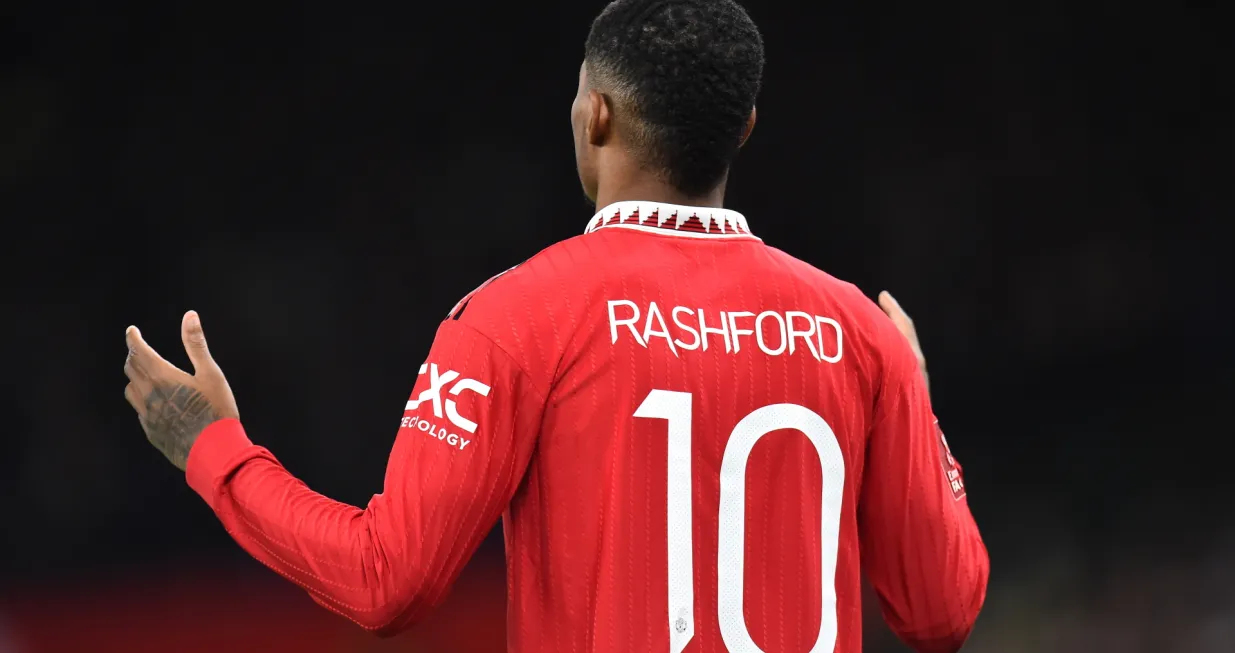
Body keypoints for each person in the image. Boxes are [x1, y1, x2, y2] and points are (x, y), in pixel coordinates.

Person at [121, 0, 988, 651]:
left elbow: (384, 578)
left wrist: (213, 447)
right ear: (743, 131)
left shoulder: (519, 316)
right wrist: (916, 396)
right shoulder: (859, 334)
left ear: (596, 115)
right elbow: (943, 611)